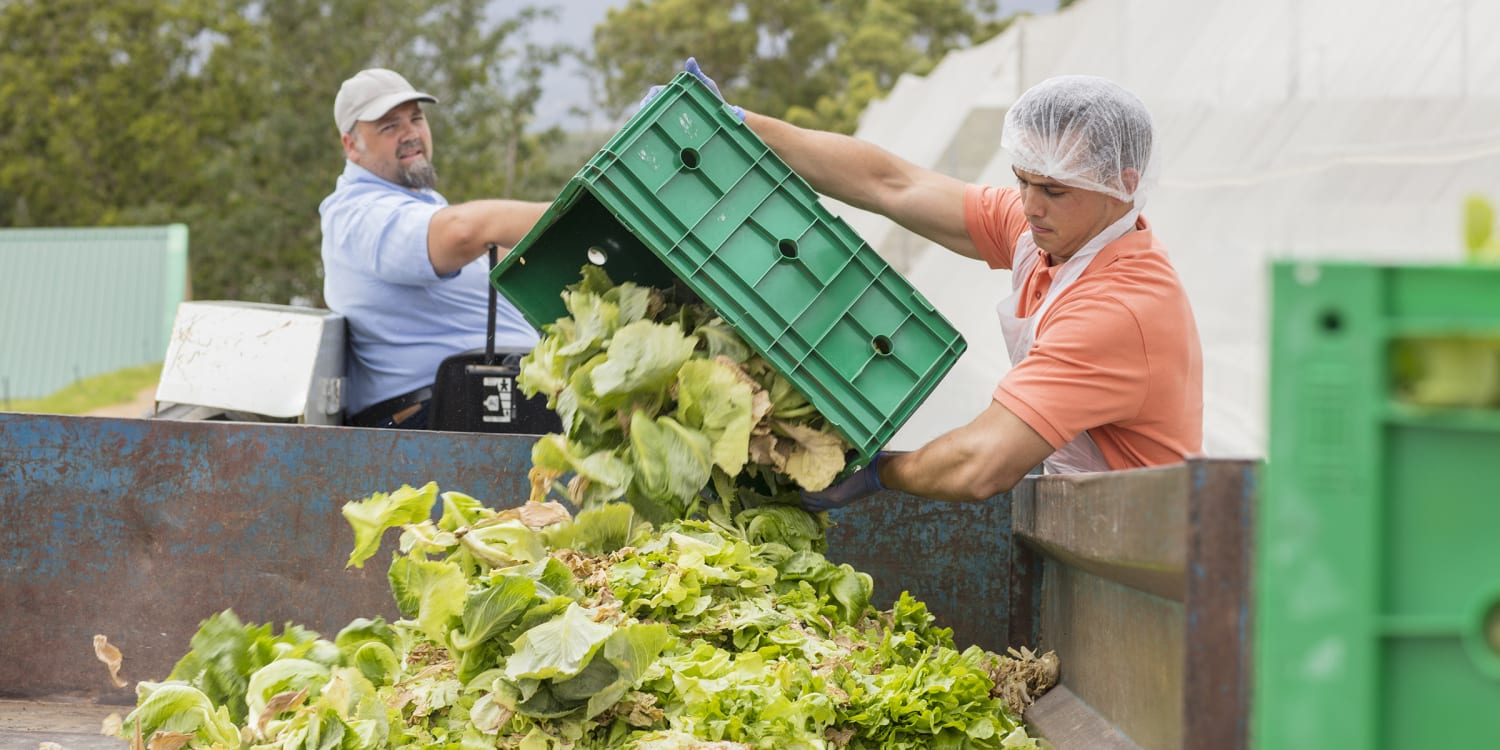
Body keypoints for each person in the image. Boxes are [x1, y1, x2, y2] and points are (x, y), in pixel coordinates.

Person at [646, 59, 1203, 507]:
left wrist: (878, 473)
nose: (1030, 206)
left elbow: (981, 463)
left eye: (1054, 191)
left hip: (1149, 551)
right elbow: (893, 183)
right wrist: (740, 124)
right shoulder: (1052, 237)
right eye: (1022, 181)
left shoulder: (1117, 308)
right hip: (1091, 520)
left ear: (1124, 185)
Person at [321, 68, 549, 429]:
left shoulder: (423, 205)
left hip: (492, 400)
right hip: (433, 420)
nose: (410, 133)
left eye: (416, 118)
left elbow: (515, 259)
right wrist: (579, 213)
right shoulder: (356, 213)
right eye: (389, 126)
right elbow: (464, 232)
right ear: (351, 146)